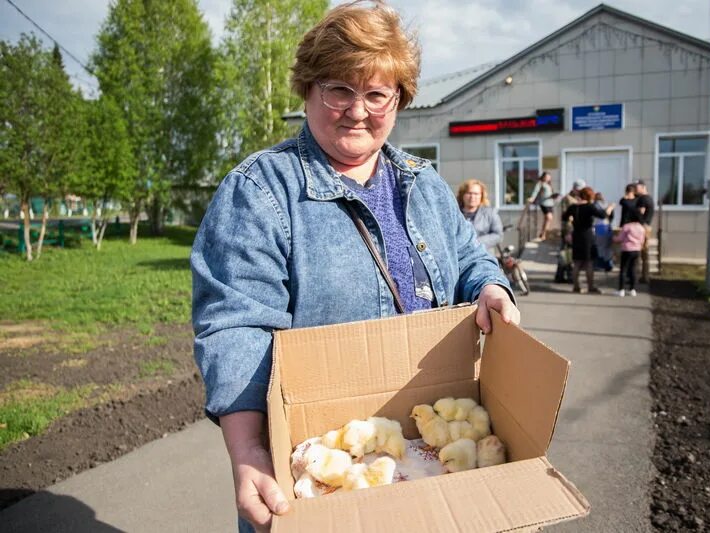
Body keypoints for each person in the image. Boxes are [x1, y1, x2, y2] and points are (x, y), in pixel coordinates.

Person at [190, 3, 520, 532]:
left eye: (376, 94)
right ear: (308, 89)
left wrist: (490, 286)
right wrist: (250, 451)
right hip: (323, 465)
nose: (357, 110)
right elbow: (237, 326)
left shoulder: (424, 183)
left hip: (426, 452)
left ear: (399, 99)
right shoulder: (261, 191)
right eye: (339, 89)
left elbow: (467, 258)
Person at [562, 186, 614, 294]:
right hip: (587, 236)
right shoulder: (589, 207)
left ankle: (576, 286)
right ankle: (591, 286)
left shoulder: (573, 207)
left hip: (576, 235)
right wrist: (610, 207)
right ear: (589, 196)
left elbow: (564, 217)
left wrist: (570, 224)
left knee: (576, 262)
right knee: (589, 262)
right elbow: (603, 215)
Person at [458, 179, 503, 252]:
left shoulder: (490, 213)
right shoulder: (454, 213)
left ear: (481, 196)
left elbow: (498, 235)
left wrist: (476, 242)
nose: (472, 197)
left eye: (476, 194)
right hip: (458, 257)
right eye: (469, 193)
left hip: (483, 256)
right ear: (462, 195)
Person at [613, 218, 646, 297]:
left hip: (627, 249)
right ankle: (632, 289)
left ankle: (621, 290)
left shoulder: (627, 226)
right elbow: (642, 240)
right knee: (633, 269)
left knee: (623, 270)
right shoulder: (641, 228)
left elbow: (620, 238)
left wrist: (613, 238)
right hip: (637, 250)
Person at [528, 171, 558, 240]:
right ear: (543, 177)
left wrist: (553, 196)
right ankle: (543, 234)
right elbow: (535, 191)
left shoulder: (549, 185)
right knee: (549, 217)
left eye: (549, 177)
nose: (548, 178)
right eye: (547, 177)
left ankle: (543, 233)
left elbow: (548, 194)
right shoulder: (540, 183)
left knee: (547, 219)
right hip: (544, 203)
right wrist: (532, 198)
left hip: (550, 203)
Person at [635, 180, 655, 283]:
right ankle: (645, 276)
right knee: (645, 254)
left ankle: (636, 275)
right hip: (647, 227)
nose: (635, 189)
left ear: (643, 187)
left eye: (637, 187)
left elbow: (640, 213)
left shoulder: (642, 199)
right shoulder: (649, 198)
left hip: (642, 228)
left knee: (638, 253)